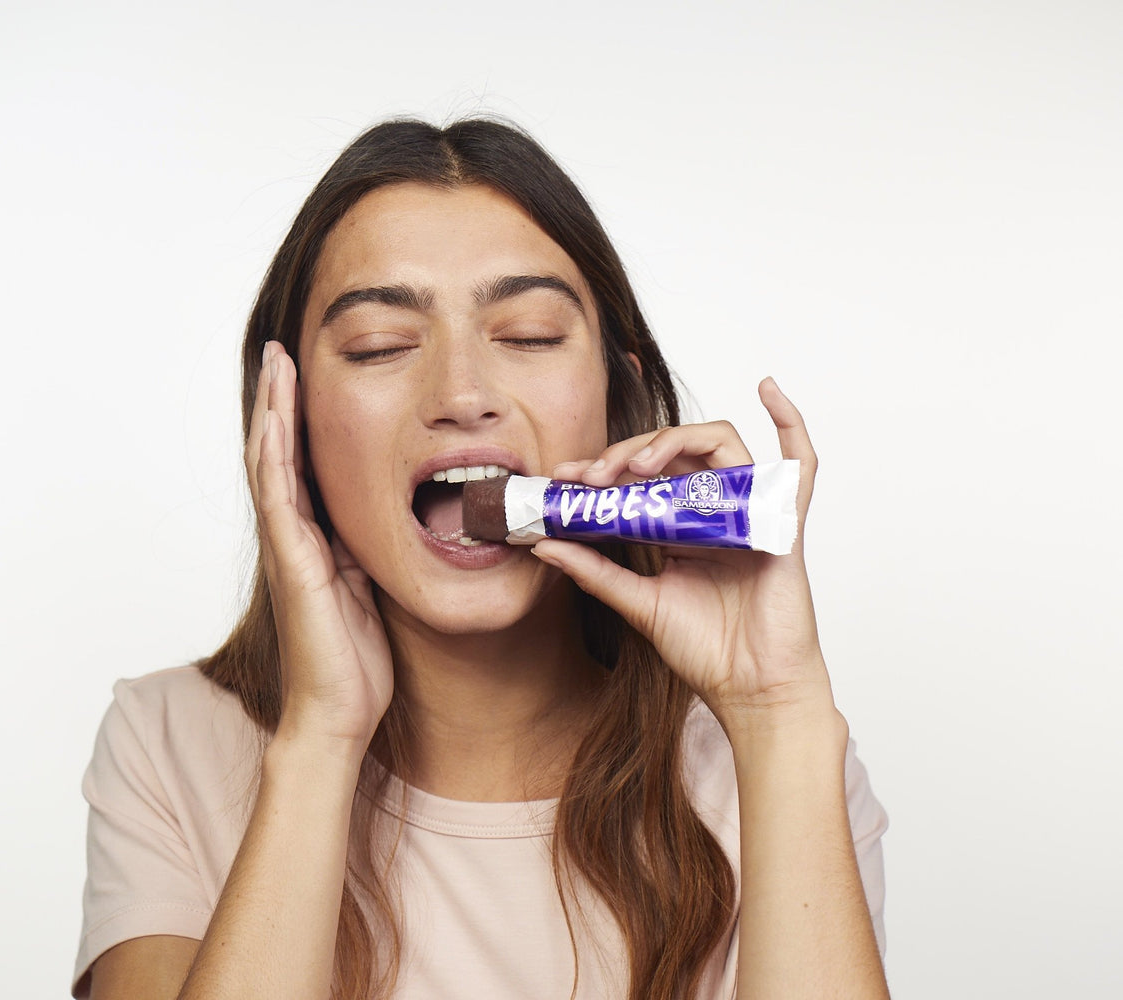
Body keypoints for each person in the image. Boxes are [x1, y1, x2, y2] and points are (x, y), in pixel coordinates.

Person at [72, 118, 889, 1000]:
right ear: (288, 421)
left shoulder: (773, 766)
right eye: (380, 346)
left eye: (531, 335)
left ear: (617, 395)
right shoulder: (168, 743)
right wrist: (321, 739)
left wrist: (777, 715)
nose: (462, 395)